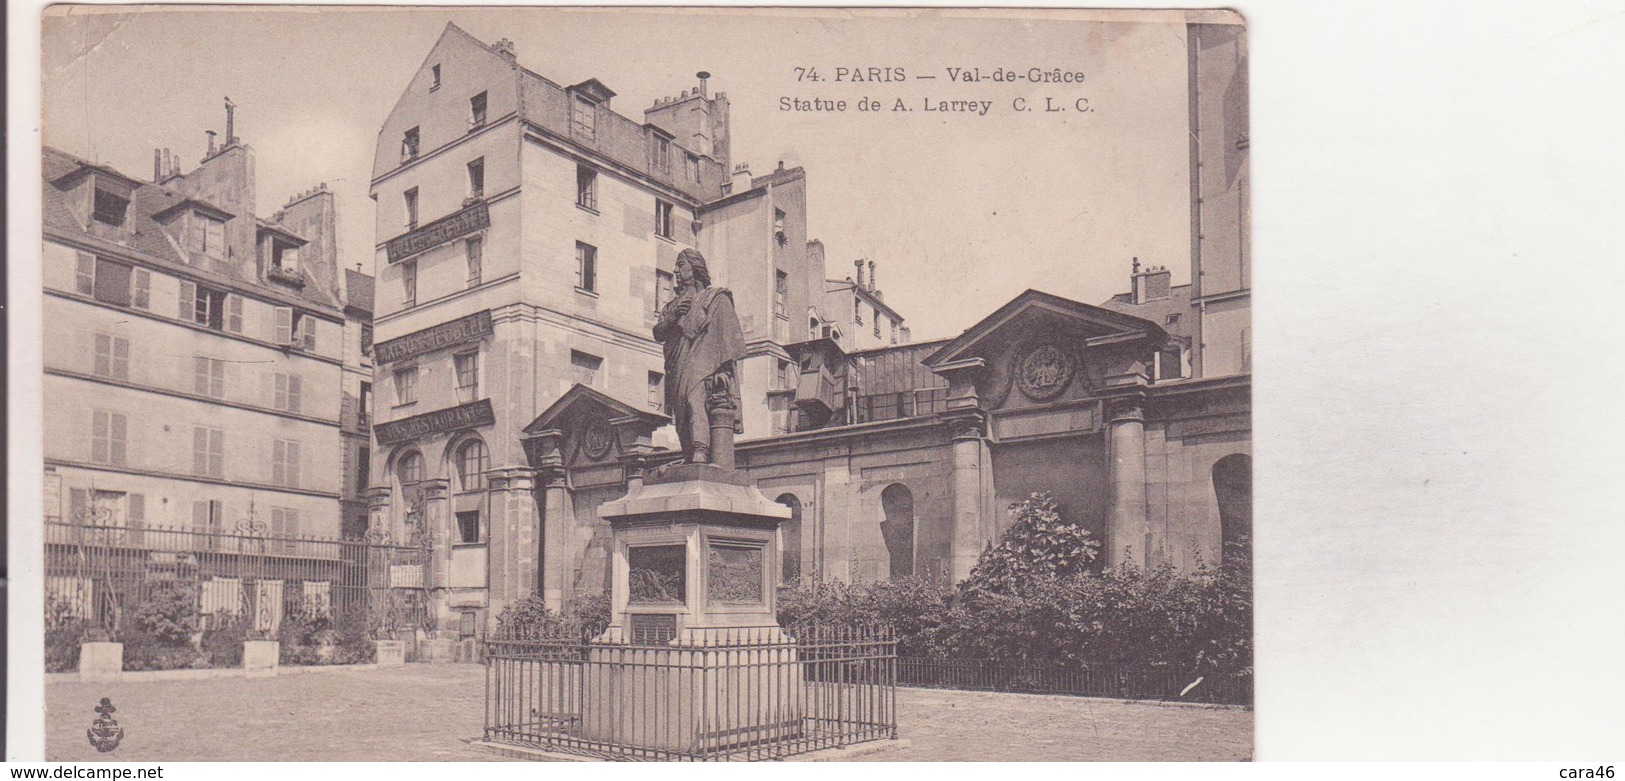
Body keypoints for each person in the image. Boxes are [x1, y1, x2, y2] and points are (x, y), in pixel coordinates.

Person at [653, 249, 746, 464]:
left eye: (680, 264)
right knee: (681, 410)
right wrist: (674, 316)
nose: (675, 270)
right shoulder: (672, 305)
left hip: (704, 361)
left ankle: (700, 450)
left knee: (695, 401)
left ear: (694, 268)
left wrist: (722, 369)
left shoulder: (715, 299)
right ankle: (689, 453)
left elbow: (725, 336)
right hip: (677, 363)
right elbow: (658, 333)